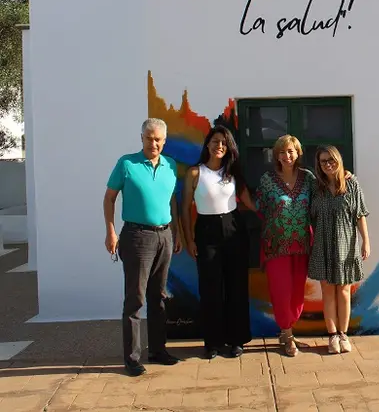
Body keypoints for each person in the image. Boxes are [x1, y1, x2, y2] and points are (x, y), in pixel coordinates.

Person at [103, 118, 183, 377]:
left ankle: (158, 350)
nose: (154, 143)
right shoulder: (127, 164)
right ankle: (132, 358)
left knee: (158, 296)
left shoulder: (171, 165)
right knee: (135, 299)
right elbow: (109, 197)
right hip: (137, 236)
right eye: (149, 138)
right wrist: (111, 231)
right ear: (142, 139)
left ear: (164, 141)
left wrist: (177, 233)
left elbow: (172, 201)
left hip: (165, 236)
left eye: (158, 139)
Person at [180, 125, 256, 360]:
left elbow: (252, 204)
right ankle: (212, 343)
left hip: (234, 231)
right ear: (208, 145)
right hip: (206, 232)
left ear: (229, 146)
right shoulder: (195, 173)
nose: (219, 146)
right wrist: (189, 240)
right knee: (210, 289)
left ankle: (237, 341)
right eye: (215, 142)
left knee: (236, 287)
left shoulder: (233, 173)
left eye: (224, 142)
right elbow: (184, 209)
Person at [253, 135, 317, 357]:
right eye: (282, 152)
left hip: (302, 244)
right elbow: (259, 207)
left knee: (297, 293)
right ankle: (287, 334)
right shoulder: (267, 179)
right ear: (276, 155)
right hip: (276, 244)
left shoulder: (308, 179)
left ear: (298, 153)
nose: (287, 156)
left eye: (291, 151)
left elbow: (321, 200)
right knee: (281, 290)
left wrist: (344, 177)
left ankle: (288, 330)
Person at [308, 145, 370, 354]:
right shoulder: (316, 187)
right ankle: (332, 335)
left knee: (344, 291)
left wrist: (366, 241)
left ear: (338, 160)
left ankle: (343, 334)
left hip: (346, 243)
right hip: (323, 244)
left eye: (331, 160)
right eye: (323, 161)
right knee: (327, 291)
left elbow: (360, 214)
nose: (327, 165)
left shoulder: (351, 184)